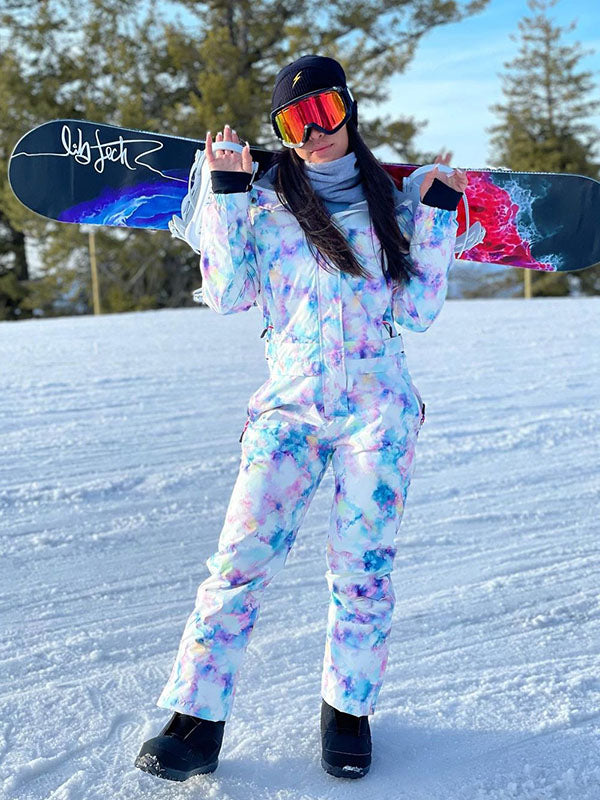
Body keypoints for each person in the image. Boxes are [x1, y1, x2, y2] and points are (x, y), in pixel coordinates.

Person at [135, 54, 467, 783]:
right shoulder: (267, 206)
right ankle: (195, 721)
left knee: (362, 570)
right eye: (293, 122)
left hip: (378, 412)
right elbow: (227, 295)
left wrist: (437, 215)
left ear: (347, 109)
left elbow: (420, 310)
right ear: (282, 132)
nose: (312, 134)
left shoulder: (395, 206)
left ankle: (347, 712)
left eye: (322, 113)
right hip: (290, 408)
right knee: (236, 566)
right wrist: (223, 189)